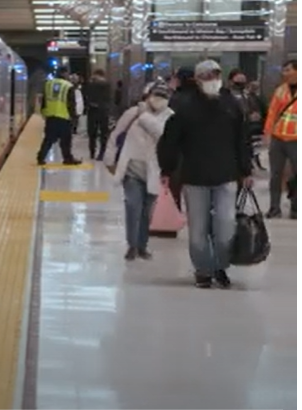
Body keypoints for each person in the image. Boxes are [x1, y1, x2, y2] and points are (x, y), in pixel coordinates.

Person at [158, 60, 253, 289]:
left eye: (215, 75)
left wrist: (246, 170)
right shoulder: (184, 107)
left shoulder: (231, 105)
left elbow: (242, 140)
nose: (212, 79)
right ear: (198, 79)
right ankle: (203, 270)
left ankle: (220, 266)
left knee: (225, 228)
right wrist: (167, 169)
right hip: (195, 177)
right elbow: (170, 142)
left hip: (227, 175)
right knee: (198, 229)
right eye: (207, 75)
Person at [105, 81, 173, 260]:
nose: (159, 100)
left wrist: (145, 118)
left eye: (163, 96)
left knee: (146, 211)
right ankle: (132, 245)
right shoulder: (133, 113)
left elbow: (162, 134)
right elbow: (116, 135)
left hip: (154, 171)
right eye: (156, 95)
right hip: (132, 169)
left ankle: (143, 245)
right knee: (133, 206)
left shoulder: (170, 117)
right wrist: (109, 160)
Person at [264, 59, 297, 218]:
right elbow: (272, 113)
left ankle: (296, 207)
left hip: (296, 139)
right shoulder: (280, 90)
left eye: (288, 70)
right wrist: (267, 134)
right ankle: (274, 207)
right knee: (275, 174)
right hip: (278, 138)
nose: (284, 73)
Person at [36, 68, 81, 166]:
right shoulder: (68, 86)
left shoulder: (48, 84)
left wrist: (43, 112)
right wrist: (73, 117)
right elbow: (71, 104)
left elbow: (44, 100)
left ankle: (41, 158)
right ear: (65, 74)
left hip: (51, 116)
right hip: (64, 117)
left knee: (48, 139)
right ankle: (67, 159)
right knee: (66, 140)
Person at [228, 69, 267, 171]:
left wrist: (256, 115)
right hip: (232, 131)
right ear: (231, 81)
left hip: (248, 130)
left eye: (243, 80)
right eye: (238, 80)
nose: (241, 83)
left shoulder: (249, 96)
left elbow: (259, 109)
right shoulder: (226, 96)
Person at [83, 69, 112, 161]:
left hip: (93, 111)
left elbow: (87, 96)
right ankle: (102, 153)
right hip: (104, 111)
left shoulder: (92, 85)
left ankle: (92, 153)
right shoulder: (107, 85)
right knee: (103, 133)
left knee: (92, 133)